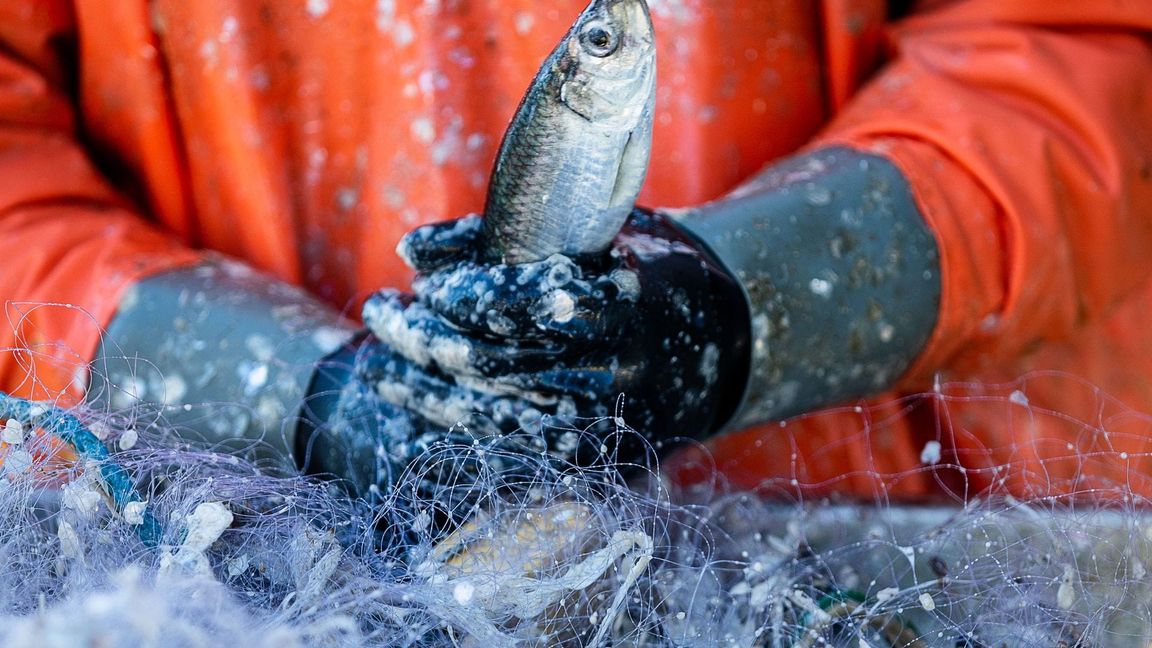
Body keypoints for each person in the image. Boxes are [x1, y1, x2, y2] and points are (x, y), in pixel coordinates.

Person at [1, 1, 1150, 507]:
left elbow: (1077, 55)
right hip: (238, 566)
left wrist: (740, 302)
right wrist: (304, 398)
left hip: (897, 548)